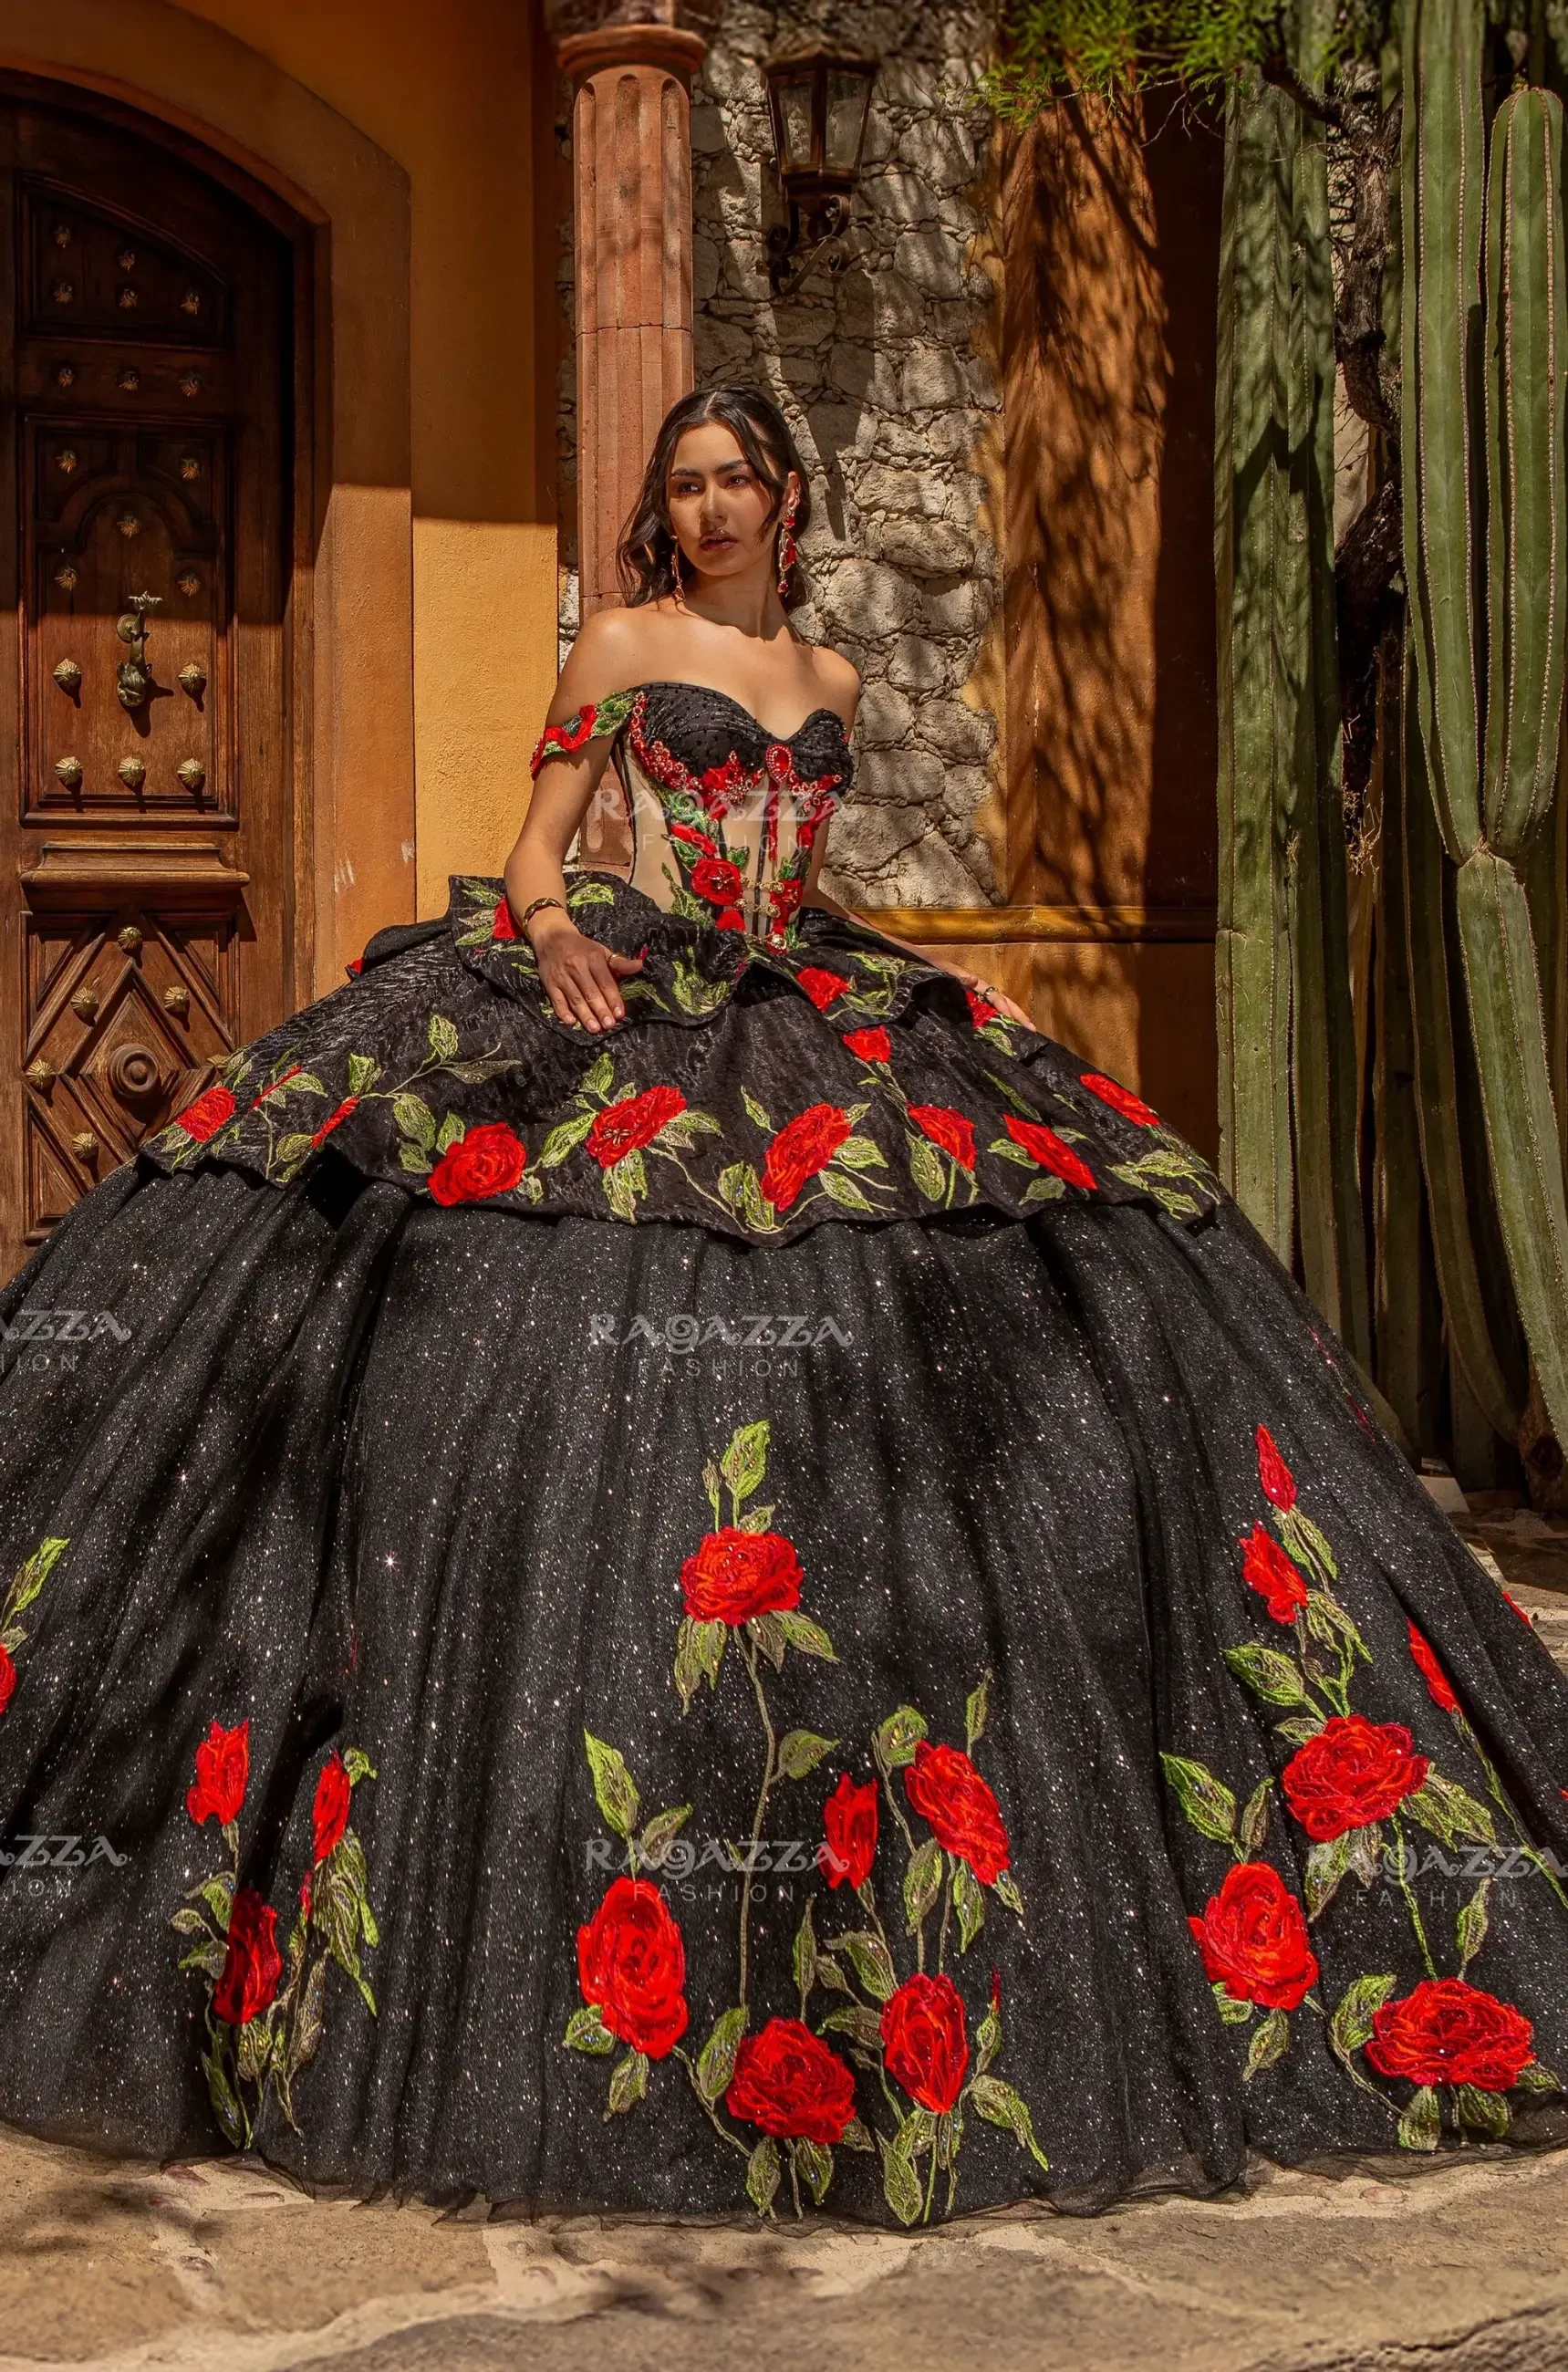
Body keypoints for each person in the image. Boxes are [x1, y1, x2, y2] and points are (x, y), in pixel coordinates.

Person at [1, 384, 1566, 2231]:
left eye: (738, 476)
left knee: (1024, 1246)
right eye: (686, 480)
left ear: (786, 496)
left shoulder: (831, 670)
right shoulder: (620, 644)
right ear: (664, 506)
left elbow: (803, 877)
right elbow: (541, 845)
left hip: (805, 997)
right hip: (630, 987)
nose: (713, 502)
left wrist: (892, 993)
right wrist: (555, 933)